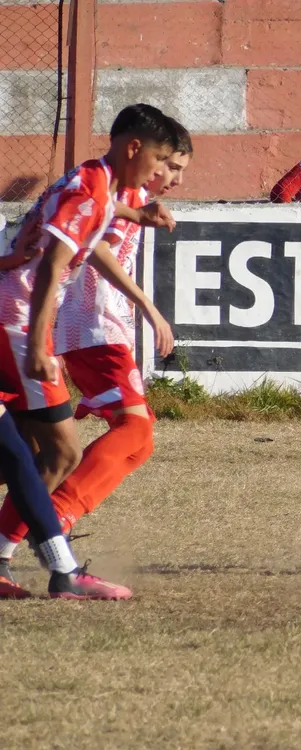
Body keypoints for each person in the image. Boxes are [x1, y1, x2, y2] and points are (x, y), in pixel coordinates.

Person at [0, 103, 178, 599]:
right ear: (133, 148)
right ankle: (63, 572)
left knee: (27, 452)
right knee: (61, 451)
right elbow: (54, 265)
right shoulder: (90, 187)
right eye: (161, 159)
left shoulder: (97, 185)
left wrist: (133, 212)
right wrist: (39, 343)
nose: (161, 172)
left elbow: (93, 217)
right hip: (15, 325)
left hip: (15, 319)